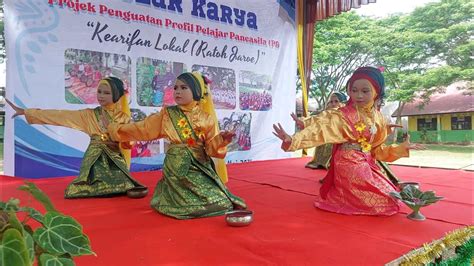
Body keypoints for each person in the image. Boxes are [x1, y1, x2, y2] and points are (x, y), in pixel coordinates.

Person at [273, 67, 423, 216]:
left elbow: (377, 150)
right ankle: (343, 197)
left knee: (390, 196)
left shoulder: (379, 117)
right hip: (347, 161)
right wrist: (293, 139)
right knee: (381, 200)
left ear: (376, 92)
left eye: (365, 91)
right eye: (354, 90)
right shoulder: (343, 115)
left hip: (367, 161)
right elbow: (321, 129)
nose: (358, 95)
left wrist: (400, 148)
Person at [107, 72, 247, 219]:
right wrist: (115, 129)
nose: (177, 91)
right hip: (176, 167)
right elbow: (143, 128)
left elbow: (211, 148)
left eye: (183, 87)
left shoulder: (206, 119)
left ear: (196, 91)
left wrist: (221, 140)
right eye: (175, 88)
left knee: (222, 201)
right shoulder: (167, 114)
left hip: (200, 166)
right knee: (185, 203)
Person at [6, 77, 146, 199]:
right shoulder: (89, 115)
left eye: (107, 93)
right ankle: (111, 188)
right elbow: (61, 116)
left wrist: (116, 140)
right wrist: (26, 112)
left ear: (116, 95)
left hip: (115, 160)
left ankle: (118, 187)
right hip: (95, 159)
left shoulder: (123, 118)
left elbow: (129, 140)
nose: (101, 96)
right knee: (77, 188)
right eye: (99, 92)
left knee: (125, 181)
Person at [292, 92, 347, 170]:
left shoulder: (346, 113)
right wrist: (303, 122)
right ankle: (320, 162)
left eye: (336, 101)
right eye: (331, 102)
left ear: (343, 102)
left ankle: (330, 163)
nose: (333, 104)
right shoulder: (327, 112)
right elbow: (317, 119)